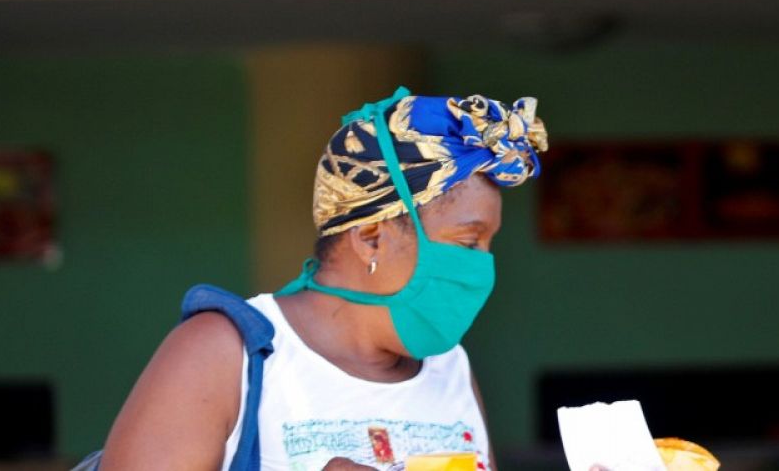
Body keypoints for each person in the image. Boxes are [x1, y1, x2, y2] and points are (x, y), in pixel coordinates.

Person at [100, 88, 548, 471]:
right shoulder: (224, 353)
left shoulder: (451, 368)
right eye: (468, 243)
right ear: (371, 237)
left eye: (490, 244)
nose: (483, 267)